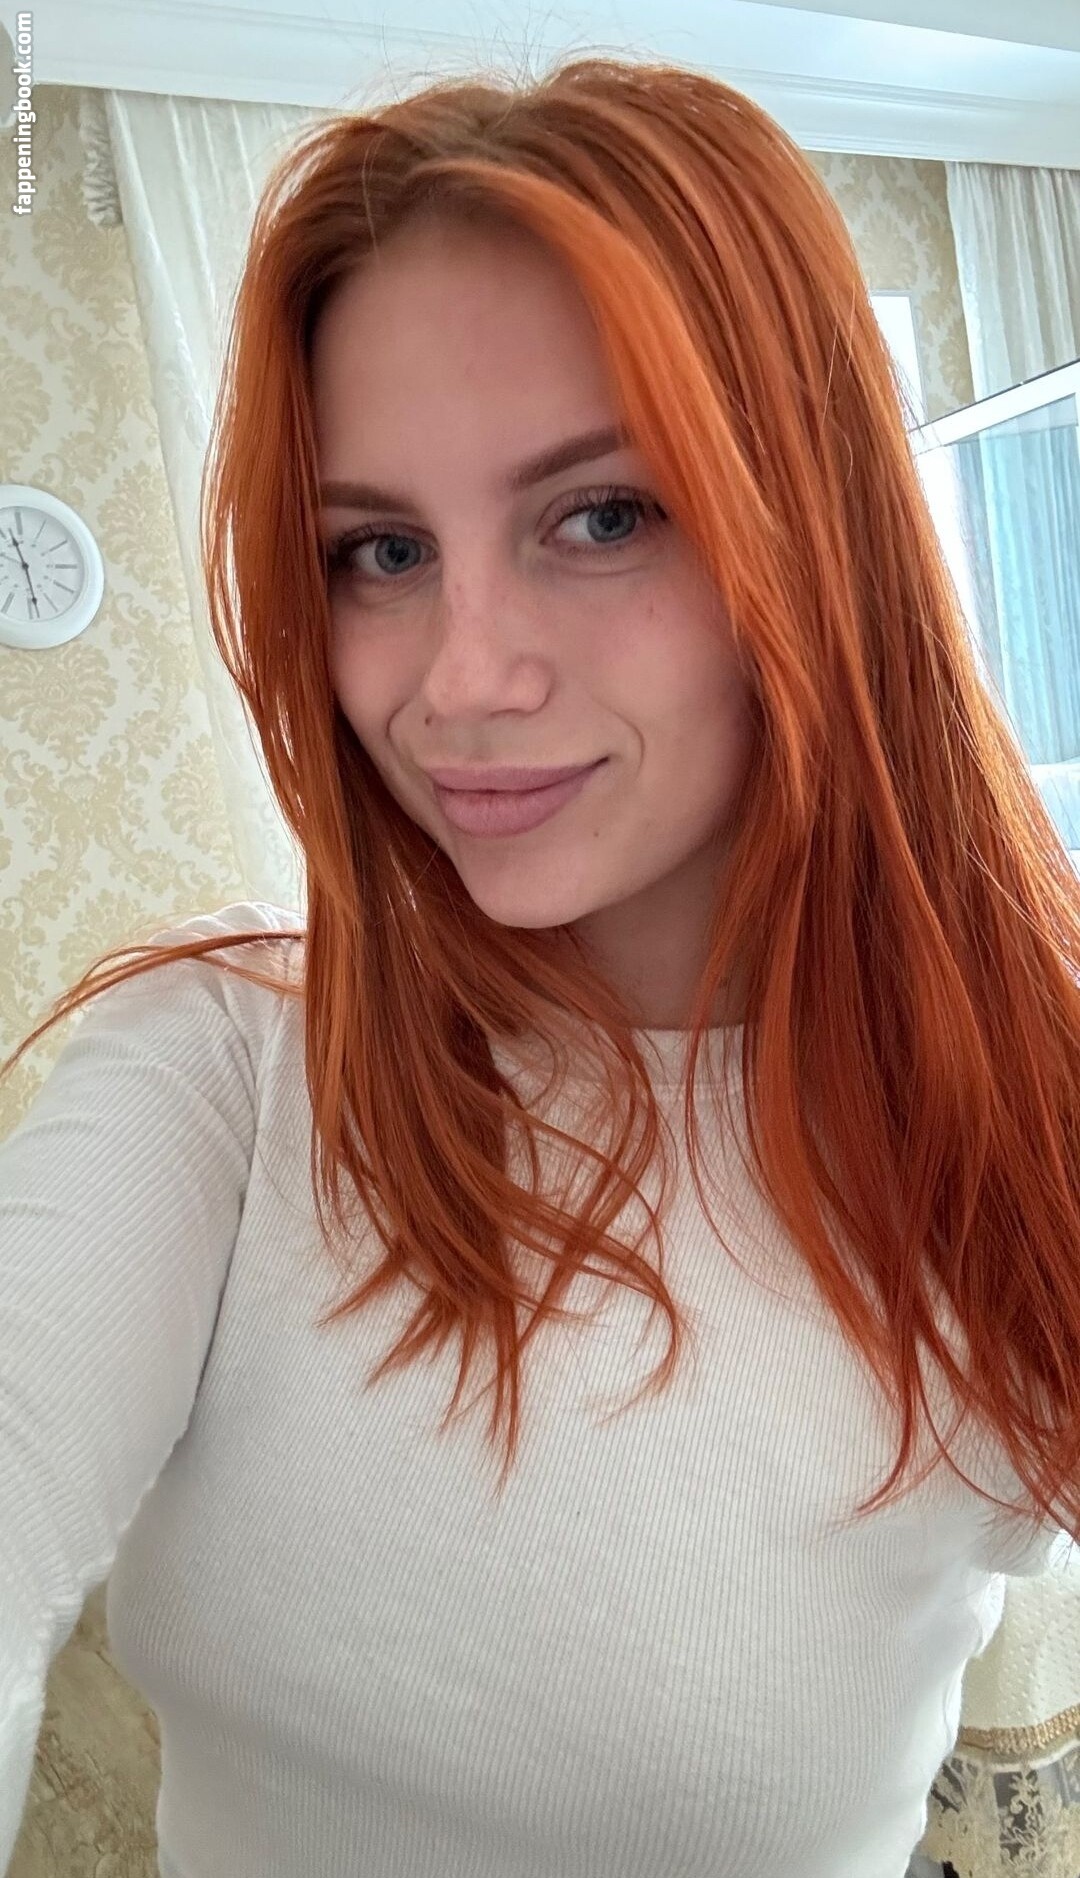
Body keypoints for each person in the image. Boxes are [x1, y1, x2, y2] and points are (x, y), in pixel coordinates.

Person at [2, 54, 1078, 1878]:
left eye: (601, 516)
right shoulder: (220, 1074)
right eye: (381, 550)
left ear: (815, 537)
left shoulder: (1014, 1122)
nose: (460, 677)